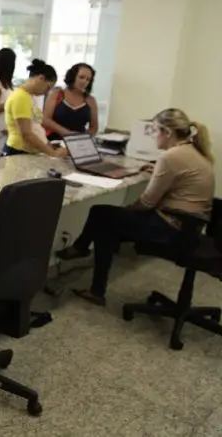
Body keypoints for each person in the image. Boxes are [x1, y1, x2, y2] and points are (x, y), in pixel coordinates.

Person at [60, 108, 215, 306]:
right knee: (107, 222)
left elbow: (147, 203)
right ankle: (92, 281)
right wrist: (157, 171)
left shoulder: (171, 157)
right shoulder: (194, 151)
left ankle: (83, 256)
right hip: (190, 227)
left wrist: (127, 210)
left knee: (101, 215)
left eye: (155, 131)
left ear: (167, 133)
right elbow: (179, 181)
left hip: (172, 229)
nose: (154, 136)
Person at [1, 59, 68, 158]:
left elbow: (36, 127)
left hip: (26, 151)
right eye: (48, 87)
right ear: (41, 78)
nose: (46, 93)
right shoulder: (21, 97)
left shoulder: (28, 96)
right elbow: (27, 134)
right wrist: (53, 153)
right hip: (18, 152)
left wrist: (48, 145)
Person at [43, 63, 98, 140]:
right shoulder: (57, 93)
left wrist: (83, 137)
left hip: (78, 142)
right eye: (81, 77)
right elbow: (45, 120)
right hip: (53, 140)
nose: (84, 81)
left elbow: (94, 127)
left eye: (88, 79)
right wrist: (67, 133)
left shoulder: (91, 100)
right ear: (73, 76)